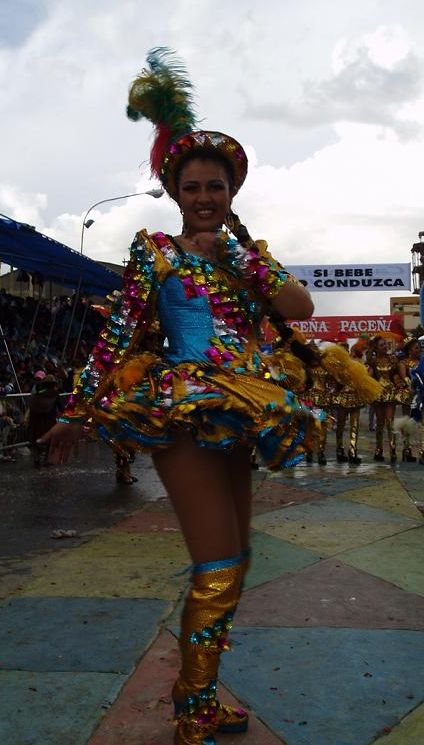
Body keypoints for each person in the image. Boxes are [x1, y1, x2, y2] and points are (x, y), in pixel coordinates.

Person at [39, 49, 377, 745]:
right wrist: (76, 409)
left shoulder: (245, 256)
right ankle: (190, 706)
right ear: (176, 191)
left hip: (246, 407)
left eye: (213, 187)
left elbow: (301, 303)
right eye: (191, 186)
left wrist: (243, 259)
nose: (201, 197)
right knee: (216, 564)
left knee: (237, 560)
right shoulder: (154, 253)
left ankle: (199, 696)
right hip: (185, 404)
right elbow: (121, 335)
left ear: (230, 192)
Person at [367, 335, 403, 464]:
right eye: (382, 345)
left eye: (386, 344)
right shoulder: (374, 361)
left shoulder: (393, 359)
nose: (385, 347)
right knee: (380, 424)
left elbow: (399, 373)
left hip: (390, 392)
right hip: (378, 393)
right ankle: (379, 449)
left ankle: (393, 450)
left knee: (390, 422)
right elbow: (369, 373)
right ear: (376, 348)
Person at [397, 336, 421, 461]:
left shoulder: (422, 361)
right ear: (410, 350)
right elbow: (405, 378)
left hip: (421, 395)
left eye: (419, 347)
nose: (419, 349)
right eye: (416, 348)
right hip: (409, 395)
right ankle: (407, 449)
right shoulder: (403, 363)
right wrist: (413, 387)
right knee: (407, 422)